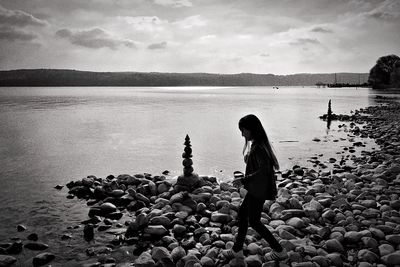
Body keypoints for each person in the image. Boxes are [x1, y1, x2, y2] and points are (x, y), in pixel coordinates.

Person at [222, 114, 288, 262]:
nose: (242, 134)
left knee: (254, 221)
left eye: (243, 130)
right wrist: (249, 160)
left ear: (252, 129)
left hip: (259, 189)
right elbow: (261, 167)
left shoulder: (259, 147)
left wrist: (243, 180)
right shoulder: (259, 144)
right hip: (257, 189)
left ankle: (279, 250)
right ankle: (237, 249)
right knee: (243, 216)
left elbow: (263, 171)